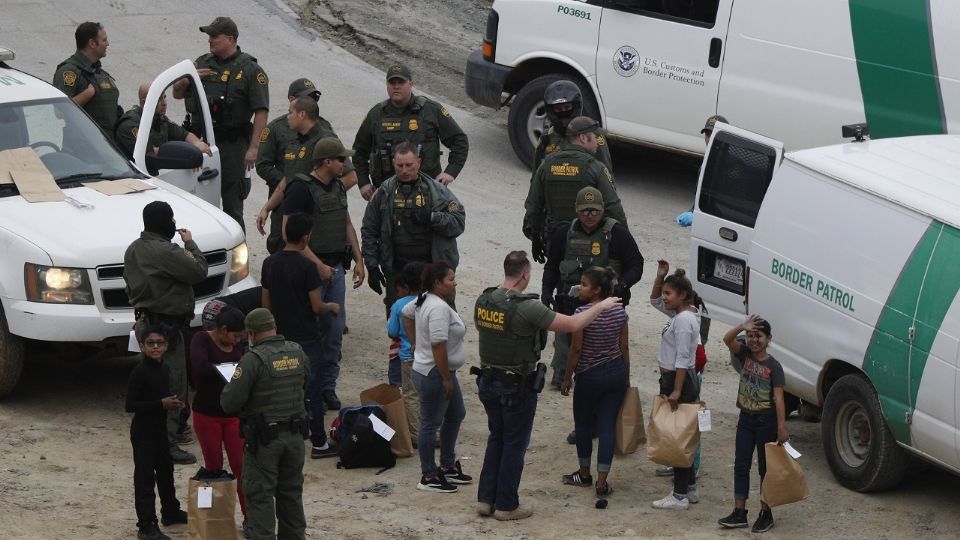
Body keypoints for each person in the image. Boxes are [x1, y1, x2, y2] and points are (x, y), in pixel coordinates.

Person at [473, 250, 622, 521]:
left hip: (488, 380)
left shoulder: (485, 298)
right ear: (526, 275)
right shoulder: (527, 307)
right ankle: (506, 504)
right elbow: (572, 324)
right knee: (514, 445)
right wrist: (602, 305)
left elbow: (482, 327)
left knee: (496, 438)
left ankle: (486, 499)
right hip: (515, 385)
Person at [543, 186, 644, 448]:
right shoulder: (565, 233)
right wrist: (545, 295)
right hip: (571, 311)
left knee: (602, 365)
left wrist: (622, 285)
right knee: (575, 361)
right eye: (585, 210)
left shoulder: (616, 233)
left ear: (602, 211)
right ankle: (585, 422)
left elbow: (637, 264)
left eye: (595, 211)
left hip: (606, 312)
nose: (589, 215)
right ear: (576, 210)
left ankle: (600, 422)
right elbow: (552, 267)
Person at [279, 137, 365, 410]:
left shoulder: (338, 186)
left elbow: (347, 223)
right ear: (327, 162)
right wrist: (318, 266)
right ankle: (304, 390)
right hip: (309, 273)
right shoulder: (300, 190)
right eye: (341, 159)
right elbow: (287, 234)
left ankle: (327, 387)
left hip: (336, 269)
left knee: (333, 332)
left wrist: (359, 260)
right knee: (306, 335)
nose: (345, 164)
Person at [124, 201, 208, 465]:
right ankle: (167, 443)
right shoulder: (167, 251)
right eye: (171, 220)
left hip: (146, 323)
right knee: (173, 385)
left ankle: (167, 434)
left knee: (153, 382)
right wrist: (190, 244)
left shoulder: (134, 249)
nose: (174, 225)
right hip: (168, 327)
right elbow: (199, 270)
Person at [220, 308, 310, 540]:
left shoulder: (252, 360)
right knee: (291, 494)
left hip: (265, 440)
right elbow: (306, 386)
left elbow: (229, 402)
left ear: (251, 334)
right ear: (274, 327)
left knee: (259, 496)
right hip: (295, 436)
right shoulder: (298, 352)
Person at [173, 16, 269, 230]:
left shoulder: (250, 70)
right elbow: (177, 94)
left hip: (232, 145)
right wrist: (188, 77)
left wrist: (254, 147)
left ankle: (237, 255)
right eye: (209, 36)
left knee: (232, 203)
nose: (210, 40)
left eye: (214, 36)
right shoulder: (202, 62)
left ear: (230, 39)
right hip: (199, 141)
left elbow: (261, 111)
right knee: (195, 198)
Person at [261, 212, 340, 459]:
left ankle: (280, 439)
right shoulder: (308, 267)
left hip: (280, 337)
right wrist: (332, 307)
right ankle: (318, 442)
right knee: (312, 389)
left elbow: (265, 305)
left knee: (282, 388)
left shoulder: (270, 263)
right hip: (306, 337)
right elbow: (317, 306)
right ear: (306, 238)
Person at [361, 141, 466, 313]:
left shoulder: (437, 192)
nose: (404, 170)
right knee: (398, 318)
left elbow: (458, 223)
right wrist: (372, 265)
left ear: (418, 163)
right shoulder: (384, 192)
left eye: (409, 165)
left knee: (438, 319)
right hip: (398, 270)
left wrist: (432, 217)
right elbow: (369, 230)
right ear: (393, 164)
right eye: (399, 165)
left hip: (431, 271)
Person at [256, 87, 359, 254]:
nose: (288, 116)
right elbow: (287, 181)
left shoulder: (326, 141)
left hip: (316, 229)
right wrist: (267, 208)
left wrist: (317, 198)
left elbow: (351, 177)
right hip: (292, 220)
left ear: (302, 114)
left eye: (291, 113)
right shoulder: (295, 142)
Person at [559, 266, 629, 499]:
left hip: (589, 376)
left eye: (585, 284)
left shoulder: (582, 312)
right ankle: (601, 482)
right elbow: (624, 347)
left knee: (583, 425)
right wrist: (625, 376)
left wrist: (567, 376)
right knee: (607, 426)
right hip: (615, 373)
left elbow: (576, 349)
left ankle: (584, 473)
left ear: (597, 290)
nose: (580, 288)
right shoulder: (619, 311)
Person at [401, 262, 470, 493]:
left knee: (456, 413)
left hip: (436, 371)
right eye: (450, 279)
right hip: (435, 374)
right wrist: (446, 379)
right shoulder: (437, 308)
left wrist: (414, 344)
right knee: (430, 424)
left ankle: (447, 465)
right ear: (437, 283)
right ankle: (429, 475)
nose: (455, 282)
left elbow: (406, 314)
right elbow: (438, 345)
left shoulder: (425, 299)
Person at [352, 64, 469, 201]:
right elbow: (358, 152)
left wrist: (450, 172)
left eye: (401, 82)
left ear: (411, 84)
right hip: (386, 194)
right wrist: (363, 182)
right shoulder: (376, 114)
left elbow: (459, 141)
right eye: (392, 82)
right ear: (387, 85)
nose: (396, 86)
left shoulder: (430, 110)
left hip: (425, 193)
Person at [717, 315, 788, 533]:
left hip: (765, 422)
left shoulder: (774, 366)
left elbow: (778, 398)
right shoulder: (744, 354)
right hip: (745, 420)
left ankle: (766, 513)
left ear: (769, 338)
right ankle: (740, 513)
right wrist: (741, 325)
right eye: (750, 335)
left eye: (759, 336)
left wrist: (781, 427)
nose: (753, 340)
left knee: (765, 470)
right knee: (741, 465)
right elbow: (726, 339)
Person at [523, 116, 627, 263]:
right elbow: (613, 207)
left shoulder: (546, 165)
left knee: (556, 278)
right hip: (587, 241)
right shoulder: (595, 168)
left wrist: (535, 238)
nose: (598, 141)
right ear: (583, 138)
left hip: (554, 239)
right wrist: (625, 241)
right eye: (595, 137)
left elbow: (534, 205)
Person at [189, 307, 249, 536]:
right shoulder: (201, 340)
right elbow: (200, 369)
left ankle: (248, 517)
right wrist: (228, 371)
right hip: (207, 414)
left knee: (241, 467)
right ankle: (214, 519)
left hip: (233, 415)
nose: (237, 340)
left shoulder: (238, 344)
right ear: (223, 330)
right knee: (213, 468)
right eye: (234, 336)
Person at [126, 325, 188, 540]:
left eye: (159, 343)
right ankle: (146, 525)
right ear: (142, 346)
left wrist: (172, 404)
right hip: (143, 432)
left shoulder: (165, 368)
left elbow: (162, 397)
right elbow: (130, 405)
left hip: (161, 430)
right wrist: (160, 404)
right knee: (145, 479)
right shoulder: (139, 371)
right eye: (150, 343)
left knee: (166, 472)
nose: (155, 347)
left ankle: (170, 512)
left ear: (166, 345)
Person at [648, 260, 702, 510]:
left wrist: (676, 390)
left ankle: (679, 494)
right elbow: (655, 300)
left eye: (669, 293)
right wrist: (660, 277)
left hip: (677, 379)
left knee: (678, 435)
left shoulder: (682, 321)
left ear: (682, 295)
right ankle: (689, 487)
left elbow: (682, 358)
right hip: (679, 378)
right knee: (684, 433)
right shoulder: (684, 315)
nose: (665, 297)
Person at [115, 82, 212, 159]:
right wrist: (189, 152)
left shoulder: (159, 118)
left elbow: (185, 134)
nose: (164, 103)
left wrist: (197, 144)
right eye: (159, 99)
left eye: (164, 97)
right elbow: (150, 153)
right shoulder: (129, 125)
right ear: (144, 102)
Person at [532, 80, 613, 172]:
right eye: (558, 109)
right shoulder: (546, 138)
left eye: (567, 107)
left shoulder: (594, 136)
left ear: (576, 106)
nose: (563, 111)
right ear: (551, 111)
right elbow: (536, 176)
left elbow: (606, 174)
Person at [53, 21, 119, 135]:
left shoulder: (100, 73)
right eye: (104, 40)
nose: (107, 44)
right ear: (92, 43)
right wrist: (87, 94)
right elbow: (59, 111)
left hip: (107, 145)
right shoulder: (69, 72)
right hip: (81, 146)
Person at [387, 261, 425, 442]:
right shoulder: (433, 301)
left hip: (408, 357)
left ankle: (417, 435)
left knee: (411, 394)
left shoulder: (399, 305)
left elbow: (392, 332)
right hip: (430, 356)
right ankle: (435, 431)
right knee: (431, 393)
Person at [675, 114, 728, 227]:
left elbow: (728, 204)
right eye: (707, 134)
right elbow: (701, 198)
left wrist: (699, 218)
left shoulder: (731, 166)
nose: (709, 139)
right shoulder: (707, 162)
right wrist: (692, 212)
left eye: (714, 134)